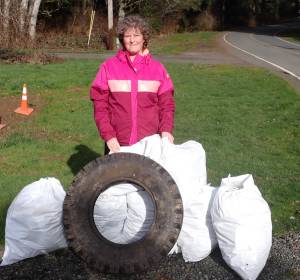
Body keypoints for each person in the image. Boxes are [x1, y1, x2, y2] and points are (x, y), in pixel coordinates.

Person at [90, 15, 175, 154]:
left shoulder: (158, 69)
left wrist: (166, 131)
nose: (132, 39)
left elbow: (167, 105)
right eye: (127, 35)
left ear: (144, 38)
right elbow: (100, 107)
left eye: (136, 35)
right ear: (122, 39)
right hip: (117, 143)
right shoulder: (108, 67)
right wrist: (109, 136)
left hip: (150, 144)